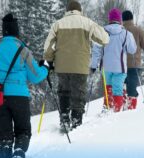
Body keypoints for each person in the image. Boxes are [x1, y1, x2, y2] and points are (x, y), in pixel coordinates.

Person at [0, 13, 49, 158]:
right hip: (19, 96)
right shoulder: (23, 51)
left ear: (3, 32)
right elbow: (36, 76)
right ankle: (19, 152)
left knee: (4, 135)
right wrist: (45, 68)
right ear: (17, 32)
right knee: (23, 131)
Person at [43, 0, 109, 130]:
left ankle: (64, 119)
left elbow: (48, 46)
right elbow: (104, 39)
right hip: (80, 66)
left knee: (64, 92)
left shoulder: (58, 24)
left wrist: (49, 60)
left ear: (67, 11)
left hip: (62, 66)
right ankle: (76, 120)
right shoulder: (87, 23)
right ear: (80, 10)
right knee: (78, 94)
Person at [91, 8, 137, 112]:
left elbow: (96, 50)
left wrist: (93, 65)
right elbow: (132, 49)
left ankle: (108, 108)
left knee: (109, 88)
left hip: (106, 67)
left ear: (110, 19)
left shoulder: (102, 32)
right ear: (119, 20)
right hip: (120, 68)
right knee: (118, 90)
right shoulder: (126, 34)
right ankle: (116, 111)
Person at [122, 10, 144, 110]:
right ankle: (131, 109)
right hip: (134, 64)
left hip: (120, 65)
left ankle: (121, 106)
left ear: (123, 19)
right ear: (131, 18)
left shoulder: (120, 30)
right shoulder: (138, 30)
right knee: (132, 89)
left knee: (121, 87)